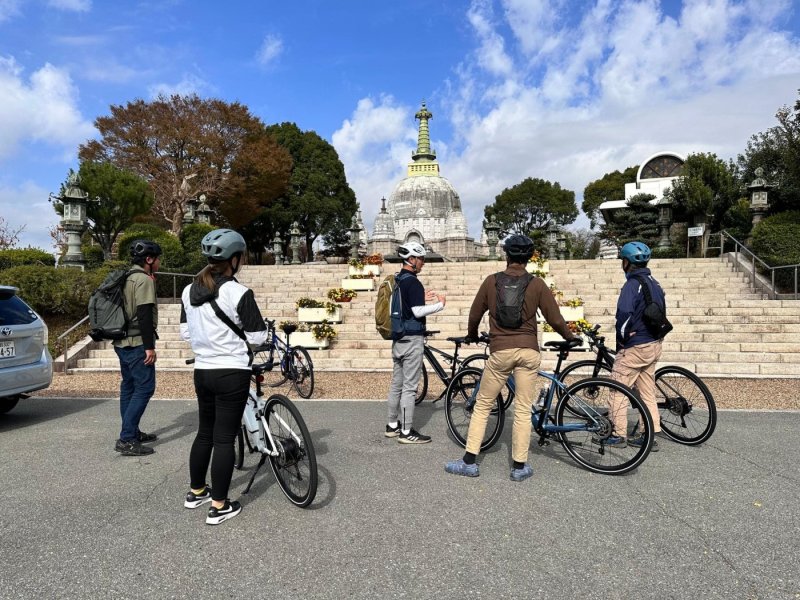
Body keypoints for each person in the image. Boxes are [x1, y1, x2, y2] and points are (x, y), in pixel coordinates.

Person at [445, 234, 576, 481]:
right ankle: (518, 467)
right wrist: (569, 336)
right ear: (528, 257)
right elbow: (555, 318)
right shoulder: (536, 284)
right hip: (528, 351)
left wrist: (472, 334)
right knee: (524, 409)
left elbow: (474, 314)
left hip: (500, 350)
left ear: (506, 255)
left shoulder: (491, 282)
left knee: (483, 404)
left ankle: (469, 463)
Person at [180, 229, 268, 525]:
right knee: (224, 438)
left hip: (202, 371)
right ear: (235, 259)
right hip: (231, 371)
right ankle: (219, 505)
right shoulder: (238, 292)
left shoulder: (188, 291)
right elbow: (257, 335)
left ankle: (196, 491)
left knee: (205, 432)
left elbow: (184, 333)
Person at [605, 241, 665, 451]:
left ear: (626, 262)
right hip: (653, 343)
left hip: (635, 345)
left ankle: (617, 434)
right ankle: (649, 433)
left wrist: (622, 341)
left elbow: (623, 315)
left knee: (617, 389)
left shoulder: (632, 285)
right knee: (647, 391)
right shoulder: (654, 282)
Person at [384, 242, 445, 444]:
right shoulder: (414, 282)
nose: (423, 263)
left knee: (396, 384)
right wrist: (439, 305)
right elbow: (418, 311)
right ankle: (406, 431)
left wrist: (421, 298)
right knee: (410, 387)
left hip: (398, 336)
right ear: (412, 259)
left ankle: (392, 426)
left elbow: (408, 305)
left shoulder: (398, 279)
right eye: (421, 259)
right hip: (412, 338)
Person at [113, 239, 161, 457]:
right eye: (158, 259)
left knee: (129, 387)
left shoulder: (125, 277)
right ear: (149, 260)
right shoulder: (143, 280)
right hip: (137, 343)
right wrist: (149, 347)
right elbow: (143, 314)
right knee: (145, 388)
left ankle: (131, 431)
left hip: (121, 342)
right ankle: (127, 439)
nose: (159, 263)